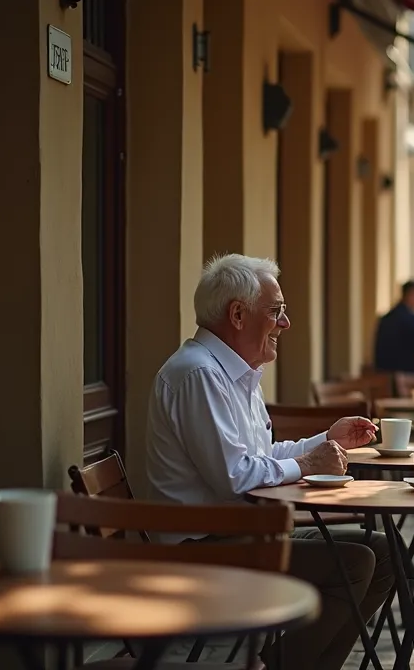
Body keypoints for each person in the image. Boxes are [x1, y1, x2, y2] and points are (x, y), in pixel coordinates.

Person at [146, 254, 393, 669]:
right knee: (354, 563)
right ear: (238, 315)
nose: (285, 324)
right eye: (276, 312)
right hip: (204, 548)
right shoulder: (199, 375)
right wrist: (311, 462)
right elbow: (236, 478)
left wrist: (326, 440)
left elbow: (258, 458)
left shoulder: (233, 372)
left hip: (235, 534)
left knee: (385, 552)